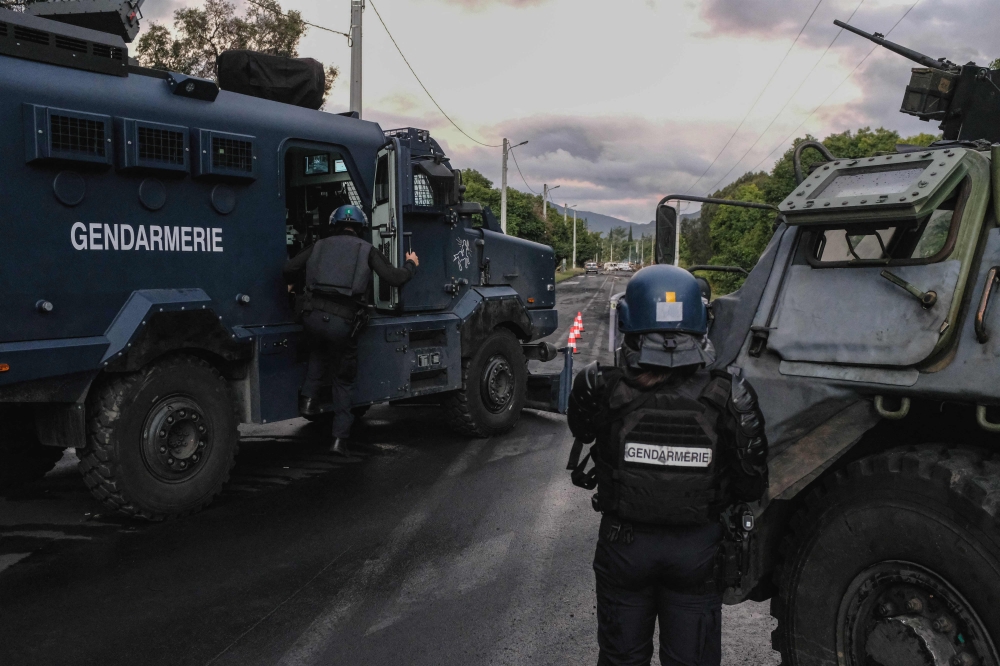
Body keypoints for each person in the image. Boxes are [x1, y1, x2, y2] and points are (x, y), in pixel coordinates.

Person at [566, 264, 768, 666]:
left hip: (624, 547)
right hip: (697, 550)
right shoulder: (729, 392)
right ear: (701, 320)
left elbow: (582, 429)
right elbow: (751, 483)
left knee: (621, 658)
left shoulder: (599, 384)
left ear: (628, 319)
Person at [283, 205, 419, 457]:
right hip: (342, 323)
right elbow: (395, 278)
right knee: (343, 381)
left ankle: (309, 402)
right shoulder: (367, 250)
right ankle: (339, 440)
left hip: (311, 318)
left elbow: (289, 268)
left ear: (334, 224)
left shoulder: (319, 245)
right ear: (361, 228)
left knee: (318, 352)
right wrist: (411, 264)